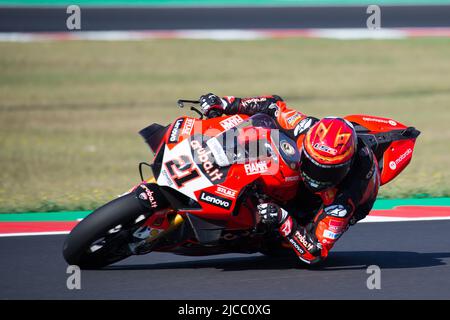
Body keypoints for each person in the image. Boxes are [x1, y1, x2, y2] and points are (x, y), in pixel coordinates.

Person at [199, 93, 380, 265]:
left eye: (327, 172)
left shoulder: (344, 200)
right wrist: (225, 103)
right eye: (312, 164)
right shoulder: (305, 126)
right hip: (300, 169)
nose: (317, 175)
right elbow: (272, 105)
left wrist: (282, 218)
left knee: (278, 243)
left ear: (344, 168)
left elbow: (315, 253)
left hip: (326, 202)